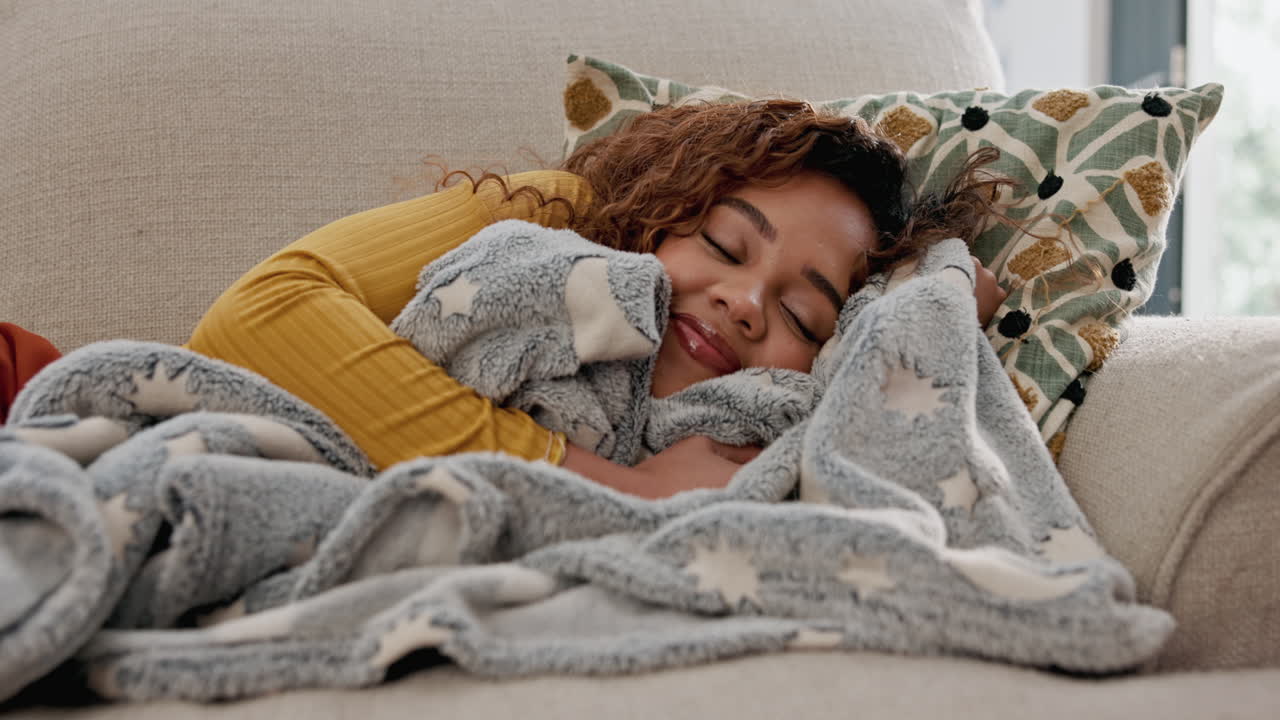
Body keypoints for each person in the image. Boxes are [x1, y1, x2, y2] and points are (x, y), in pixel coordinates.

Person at [188, 99, 1008, 499]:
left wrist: (932, 312)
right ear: (662, 214)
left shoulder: (764, 432)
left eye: (804, 316)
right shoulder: (555, 219)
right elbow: (260, 314)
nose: (746, 302)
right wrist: (605, 485)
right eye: (725, 244)